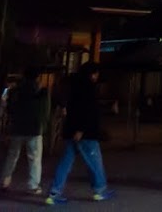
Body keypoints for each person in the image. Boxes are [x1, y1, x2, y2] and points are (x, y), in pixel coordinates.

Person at [45, 62, 114, 205]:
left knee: (65, 163)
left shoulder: (73, 87)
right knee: (95, 162)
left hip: (71, 130)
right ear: (91, 74)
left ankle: (54, 192)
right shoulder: (88, 89)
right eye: (95, 73)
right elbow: (88, 111)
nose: (97, 76)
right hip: (85, 133)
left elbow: (72, 109)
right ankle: (100, 190)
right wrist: (81, 129)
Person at [0, 67, 49, 195]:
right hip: (34, 128)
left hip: (17, 127)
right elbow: (45, 111)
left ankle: (5, 181)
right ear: (38, 77)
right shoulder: (41, 91)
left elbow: (9, 108)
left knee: (12, 155)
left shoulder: (16, 90)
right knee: (34, 157)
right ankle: (33, 185)